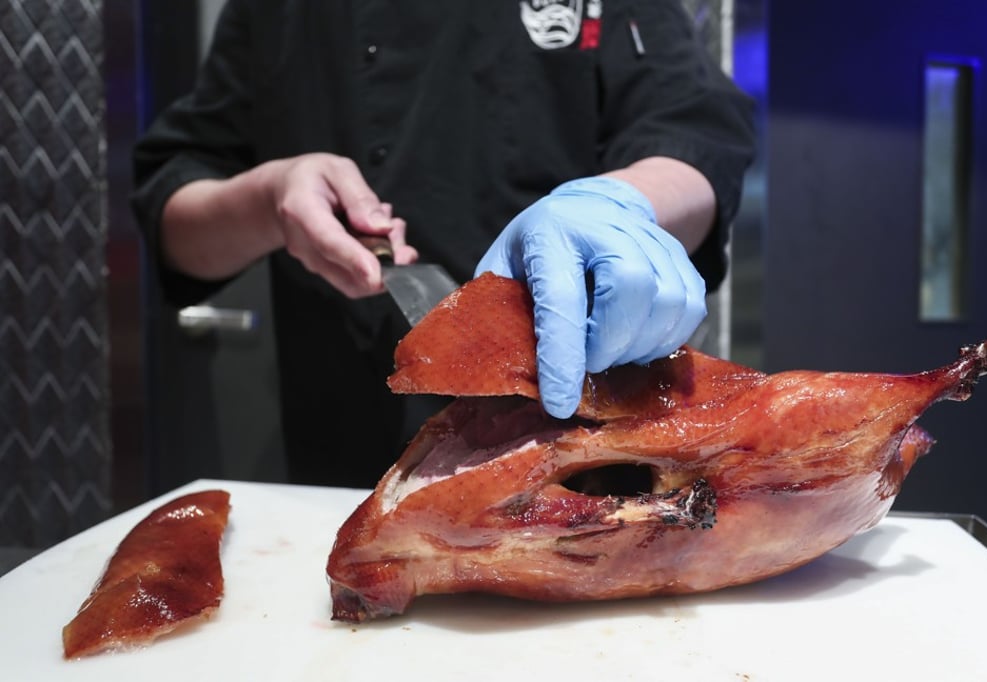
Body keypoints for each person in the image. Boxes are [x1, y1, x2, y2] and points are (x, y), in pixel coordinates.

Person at [132, 0, 757, 488]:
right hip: (338, 459)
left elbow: (693, 133)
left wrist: (616, 206)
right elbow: (173, 221)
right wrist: (267, 200)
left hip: (582, 452)